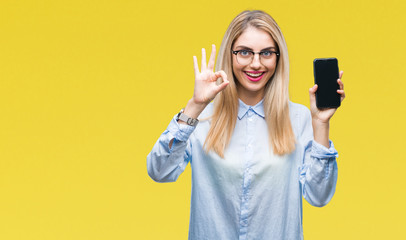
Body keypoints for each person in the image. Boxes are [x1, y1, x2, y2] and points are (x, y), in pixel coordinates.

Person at [147, 10, 345, 240]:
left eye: (267, 53)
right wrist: (195, 105)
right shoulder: (200, 119)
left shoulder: (299, 118)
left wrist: (321, 124)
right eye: (244, 53)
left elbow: (319, 196)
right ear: (230, 55)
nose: (256, 64)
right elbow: (159, 171)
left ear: (278, 58)